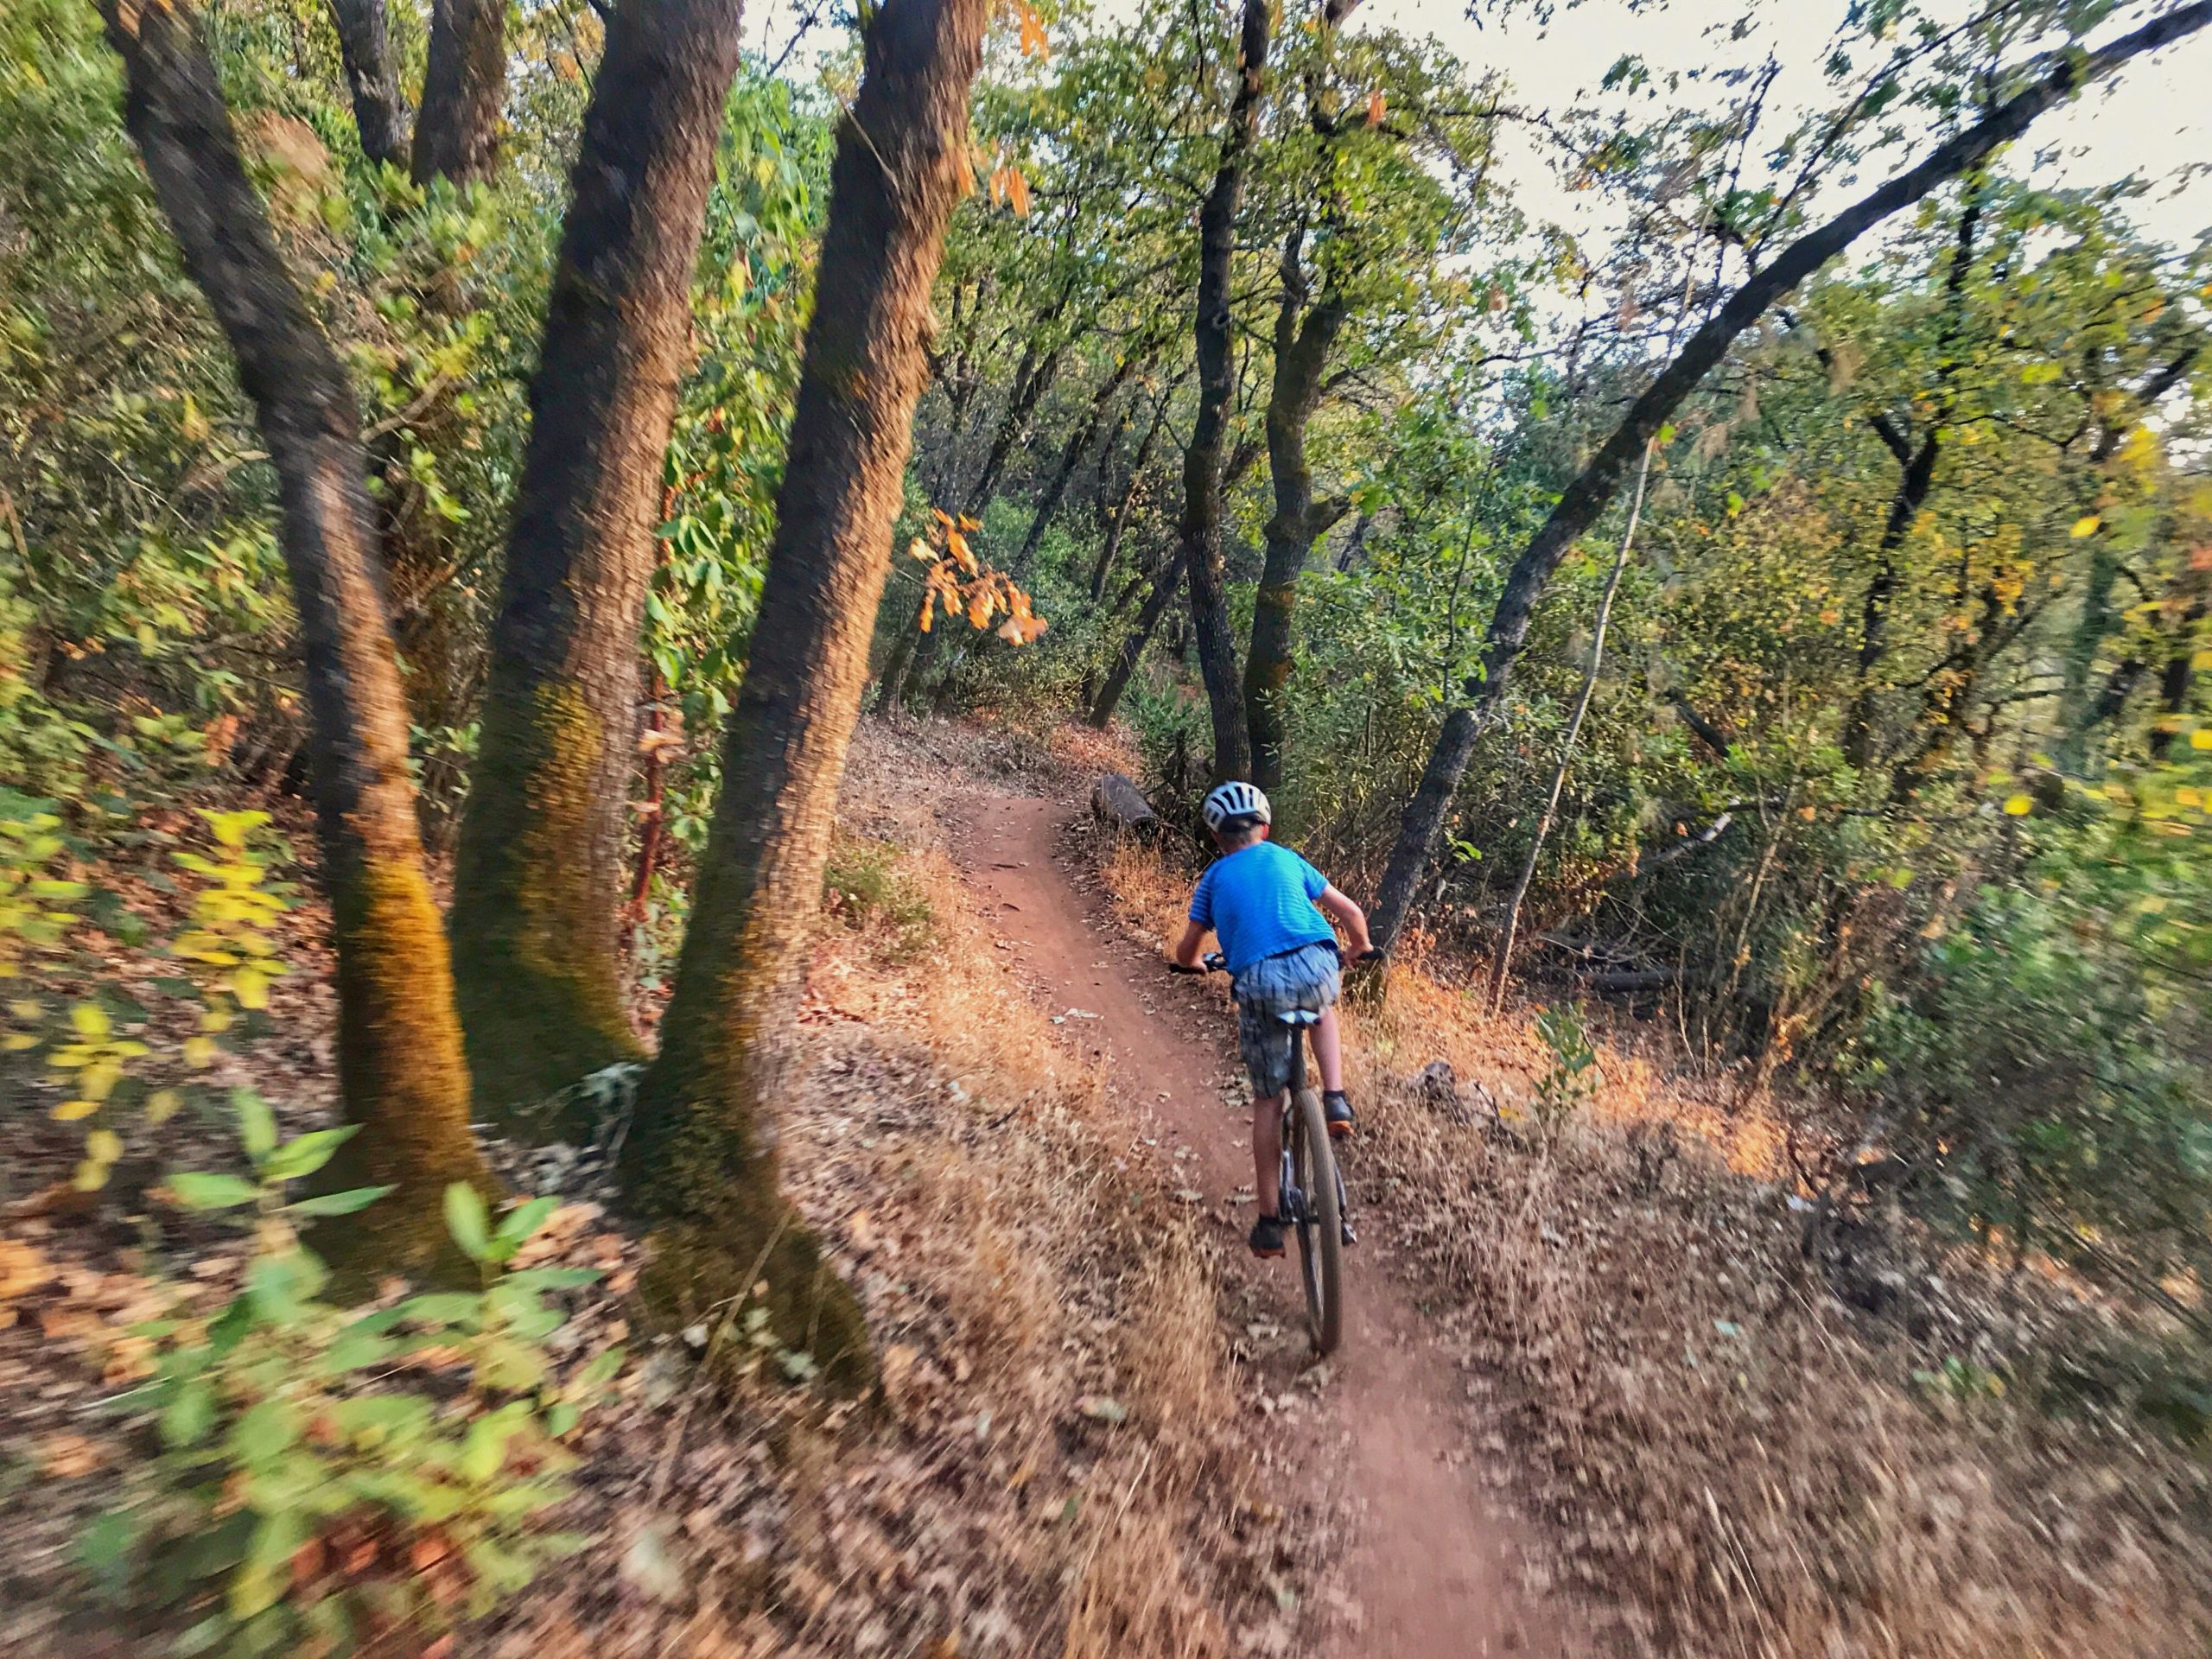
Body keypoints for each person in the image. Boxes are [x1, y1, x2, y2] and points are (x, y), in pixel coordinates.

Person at [1170, 780, 1374, 1259]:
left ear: (1217, 838)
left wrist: (1193, 963)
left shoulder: (1213, 879)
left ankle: (1267, 1222)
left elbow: (1188, 947)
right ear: (1266, 827)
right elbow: (1350, 911)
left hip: (1260, 981)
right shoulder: (1287, 858)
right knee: (1323, 1007)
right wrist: (1358, 948)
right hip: (1316, 963)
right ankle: (1335, 1098)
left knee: (1267, 1100)